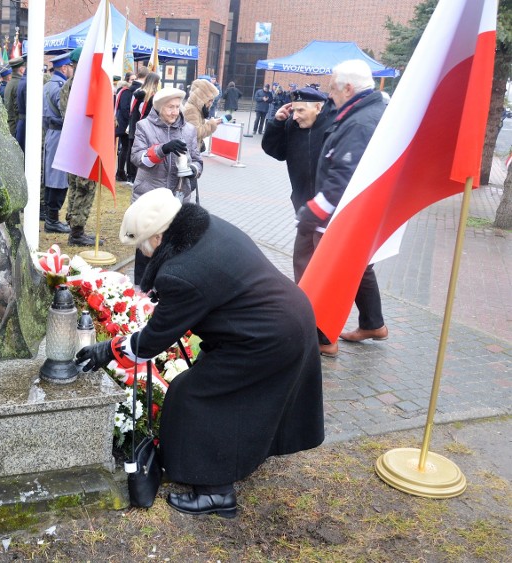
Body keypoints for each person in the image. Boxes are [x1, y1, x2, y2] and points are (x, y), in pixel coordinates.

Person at [76, 188, 325, 519]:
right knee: (228, 394)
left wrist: (105, 350)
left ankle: (216, 494)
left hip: (268, 336)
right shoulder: (204, 228)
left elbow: (151, 343)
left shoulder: (182, 273)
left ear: (161, 235)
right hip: (282, 318)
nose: (142, 251)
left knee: (195, 396)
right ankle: (238, 456)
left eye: (143, 243)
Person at [296, 59, 388, 349]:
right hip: (358, 211)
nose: (330, 94)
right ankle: (373, 323)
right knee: (359, 267)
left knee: (321, 266)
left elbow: (343, 176)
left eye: (333, 88)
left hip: (341, 214)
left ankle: (322, 335)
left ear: (348, 88)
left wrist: (313, 211)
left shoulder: (360, 120)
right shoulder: (365, 111)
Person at [261, 87, 337, 356]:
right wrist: (277, 123)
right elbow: (274, 150)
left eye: (301, 110)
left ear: (319, 107)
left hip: (331, 208)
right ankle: (311, 322)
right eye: (294, 110)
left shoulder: (335, 124)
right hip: (305, 206)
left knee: (327, 269)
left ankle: (327, 333)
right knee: (303, 263)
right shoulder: (292, 124)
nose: (296, 116)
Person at [129, 87, 202, 284]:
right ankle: (141, 292)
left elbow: (197, 160)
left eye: (177, 107)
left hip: (178, 198)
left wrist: (192, 170)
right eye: (170, 107)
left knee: (172, 248)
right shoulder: (144, 126)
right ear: (159, 107)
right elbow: (137, 158)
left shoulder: (189, 130)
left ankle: (166, 291)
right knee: (147, 248)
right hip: (149, 198)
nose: (174, 112)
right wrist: (162, 150)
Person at [59, 47, 102, 246]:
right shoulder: (85, 87)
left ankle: (75, 228)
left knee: (76, 186)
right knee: (85, 187)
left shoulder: (68, 85)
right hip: (84, 144)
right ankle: (77, 232)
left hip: (72, 143)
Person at [42, 52, 74, 233]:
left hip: (52, 133)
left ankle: (50, 218)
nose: (71, 70)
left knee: (52, 176)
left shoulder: (47, 85)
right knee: (59, 179)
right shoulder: (61, 87)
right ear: (64, 68)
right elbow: (67, 115)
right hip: (60, 134)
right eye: (70, 67)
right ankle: (52, 220)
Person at [127, 72, 161, 182]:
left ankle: (130, 176)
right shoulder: (151, 96)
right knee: (142, 152)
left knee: (133, 150)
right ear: (155, 82)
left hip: (135, 124)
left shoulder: (138, 93)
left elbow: (133, 110)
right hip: (145, 126)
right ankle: (136, 176)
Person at [117, 67, 146, 182]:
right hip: (125, 124)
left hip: (128, 124)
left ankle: (122, 172)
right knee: (125, 149)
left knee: (126, 148)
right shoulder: (127, 91)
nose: (132, 81)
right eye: (131, 79)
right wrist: (128, 122)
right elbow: (125, 108)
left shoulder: (129, 90)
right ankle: (120, 171)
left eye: (134, 78)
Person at [182, 78, 220, 154]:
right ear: (201, 98)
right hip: (190, 151)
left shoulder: (197, 108)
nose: (211, 103)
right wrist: (212, 124)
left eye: (212, 100)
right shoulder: (192, 110)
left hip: (192, 149)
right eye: (209, 100)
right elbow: (195, 133)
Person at [3, 56, 26, 140]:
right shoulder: (19, 84)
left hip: (11, 125)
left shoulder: (10, 83)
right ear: (21, 69)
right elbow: (17, 108)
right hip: (16, 126)